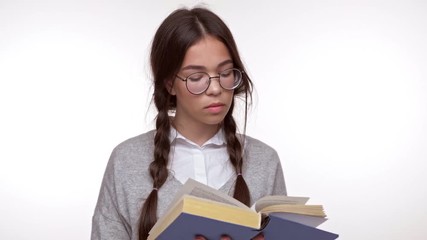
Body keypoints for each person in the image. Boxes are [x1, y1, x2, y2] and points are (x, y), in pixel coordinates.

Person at [91, 6, 287, 240]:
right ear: (169, 83)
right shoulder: (126, 160)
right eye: (196, 78)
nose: (216, 89)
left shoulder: (265, 161)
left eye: (225, 73)